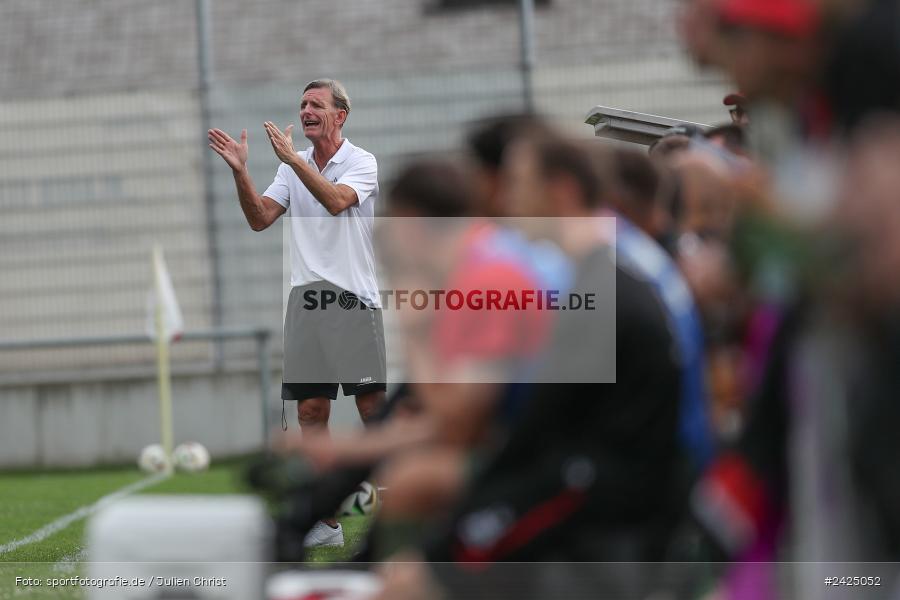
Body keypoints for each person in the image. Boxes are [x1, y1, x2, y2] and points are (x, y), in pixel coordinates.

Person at [208, 78, 386, 548]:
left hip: (352, 299)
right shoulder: (294, 166)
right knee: (310, 412)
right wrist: (240, 172)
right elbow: (259, 218)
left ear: (340, 115)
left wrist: (289, 160)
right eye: (302, 104)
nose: (305, 110)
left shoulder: (361, 161)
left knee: (372, 407)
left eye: (316, 104)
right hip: (306, 301)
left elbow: (336, 201)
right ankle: (325, 523)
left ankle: (404, 506)